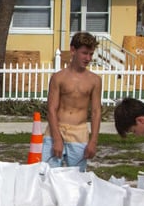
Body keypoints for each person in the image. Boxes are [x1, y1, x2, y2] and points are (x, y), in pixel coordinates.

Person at [42, 31, 102, 171]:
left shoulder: (94, 80)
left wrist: (93, 141)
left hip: (79, 132)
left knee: (77, 179)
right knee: (47, 175)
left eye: (91, 54)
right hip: (56, 130)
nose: (88, 58)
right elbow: (51, 108)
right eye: (84, 53)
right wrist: (56, 138)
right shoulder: (59, 77)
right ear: (73, 50)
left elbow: (96, 111)